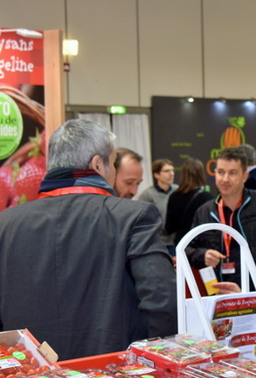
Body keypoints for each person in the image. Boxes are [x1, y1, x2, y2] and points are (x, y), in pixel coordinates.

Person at [0, 119, 177, 360]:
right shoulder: (133, 216)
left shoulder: (6, 223)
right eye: (112, 163)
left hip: (32, 374)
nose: (113, 172)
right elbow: (162, 301)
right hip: (113, 373)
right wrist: (152, 363)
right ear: (97, 164)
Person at [186, 147, 256, 297]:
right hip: (222, 294)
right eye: (220, 172)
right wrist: (202, 255)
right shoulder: (205, 212)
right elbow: (187, 250)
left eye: (232, 173)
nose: (225, 179)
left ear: (244, 176)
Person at [165, 158, 213, 247]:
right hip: (200, 246)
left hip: (181, 244)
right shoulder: (206, 197)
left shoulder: (174, 196)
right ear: (201, 174)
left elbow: (169, 228)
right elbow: (211, 227)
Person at [138, 158, 178, 254]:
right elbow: (144, 222)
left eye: (172, 170)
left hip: (178, 241)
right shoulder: (147, 195)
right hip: (158, 244)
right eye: (167, 171)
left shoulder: (178, 190)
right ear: (156, 175)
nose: (171, 174)